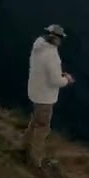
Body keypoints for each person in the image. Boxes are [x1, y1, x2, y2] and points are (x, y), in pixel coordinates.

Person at [23, 23, 74, 168]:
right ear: (58, 39)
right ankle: (35, 160)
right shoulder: (52, 55)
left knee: (35, 121)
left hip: (34, 89)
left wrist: (58, 74)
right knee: (42, 126)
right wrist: (67, 80)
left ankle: (24, 147)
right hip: (45, 96)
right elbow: (54, 81)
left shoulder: (38, 45)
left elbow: (45, 70)